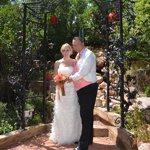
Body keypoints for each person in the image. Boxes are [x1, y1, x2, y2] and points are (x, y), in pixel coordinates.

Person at [69, 37, 98, 150]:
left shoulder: (89, 54)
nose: (75, 47)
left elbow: (83, 72)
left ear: (82, 43)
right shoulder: (79, 55)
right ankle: (88, 138)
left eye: (77, 44)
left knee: (85, 116)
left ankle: (83, 145)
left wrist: (70, 78)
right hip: (82, 89)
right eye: (73, 45)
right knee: (87, 115)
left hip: (88, 88)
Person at [50, 43, 81, 145]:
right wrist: (59, 82)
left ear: (71, 51)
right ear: (61, 51)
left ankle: (74, 136)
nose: (65, 52)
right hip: (61, 90)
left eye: (67, 50)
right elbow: (55, 76)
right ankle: (60, 135)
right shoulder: (57, 63)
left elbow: (78, 75)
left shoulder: (75, 62)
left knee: (72, 111)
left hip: (72, 90)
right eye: (63, 50)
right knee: (61, 111)